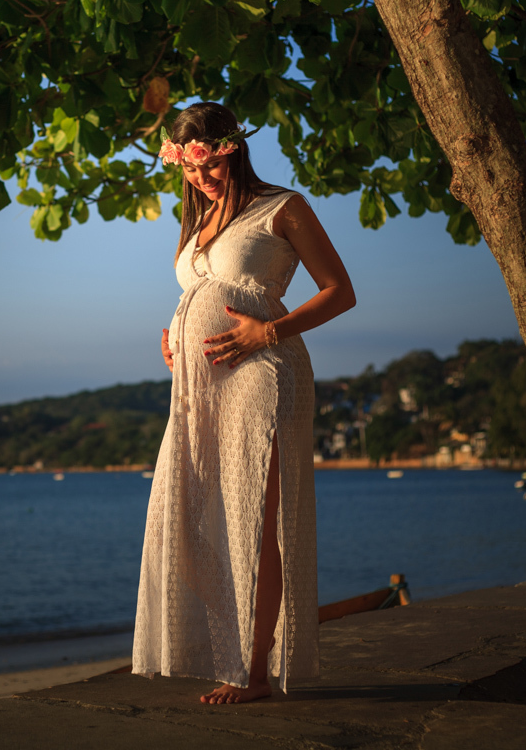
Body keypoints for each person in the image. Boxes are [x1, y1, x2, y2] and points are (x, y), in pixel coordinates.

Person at [132, 102, 356, 705]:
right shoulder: (198, 222)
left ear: (232, 149)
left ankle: (254, 674)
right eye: (188, 167)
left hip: (263, 374)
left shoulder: (282, 208)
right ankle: (225, 649)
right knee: (198, 523)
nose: (200, 176)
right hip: (201, 390)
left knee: (258, 527)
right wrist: (174, 334)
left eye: (209, 162)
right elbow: (206, 291)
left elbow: (340, 291)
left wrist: (268, 332)